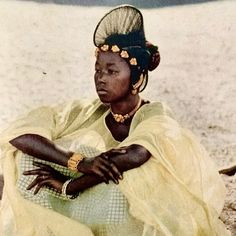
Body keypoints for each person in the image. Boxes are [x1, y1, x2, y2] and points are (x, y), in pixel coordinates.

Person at [0, 5, 230, 236]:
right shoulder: (86, 110)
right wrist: (78, 162)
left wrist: (68, 185)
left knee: (133, 174)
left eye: (111, 71)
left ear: (137, 78)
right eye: (97, 70)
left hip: (124, 212)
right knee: (23, 157)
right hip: (84, 200)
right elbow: (20, 134)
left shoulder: (155, 114)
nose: (100, 79)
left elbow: (135, 155)